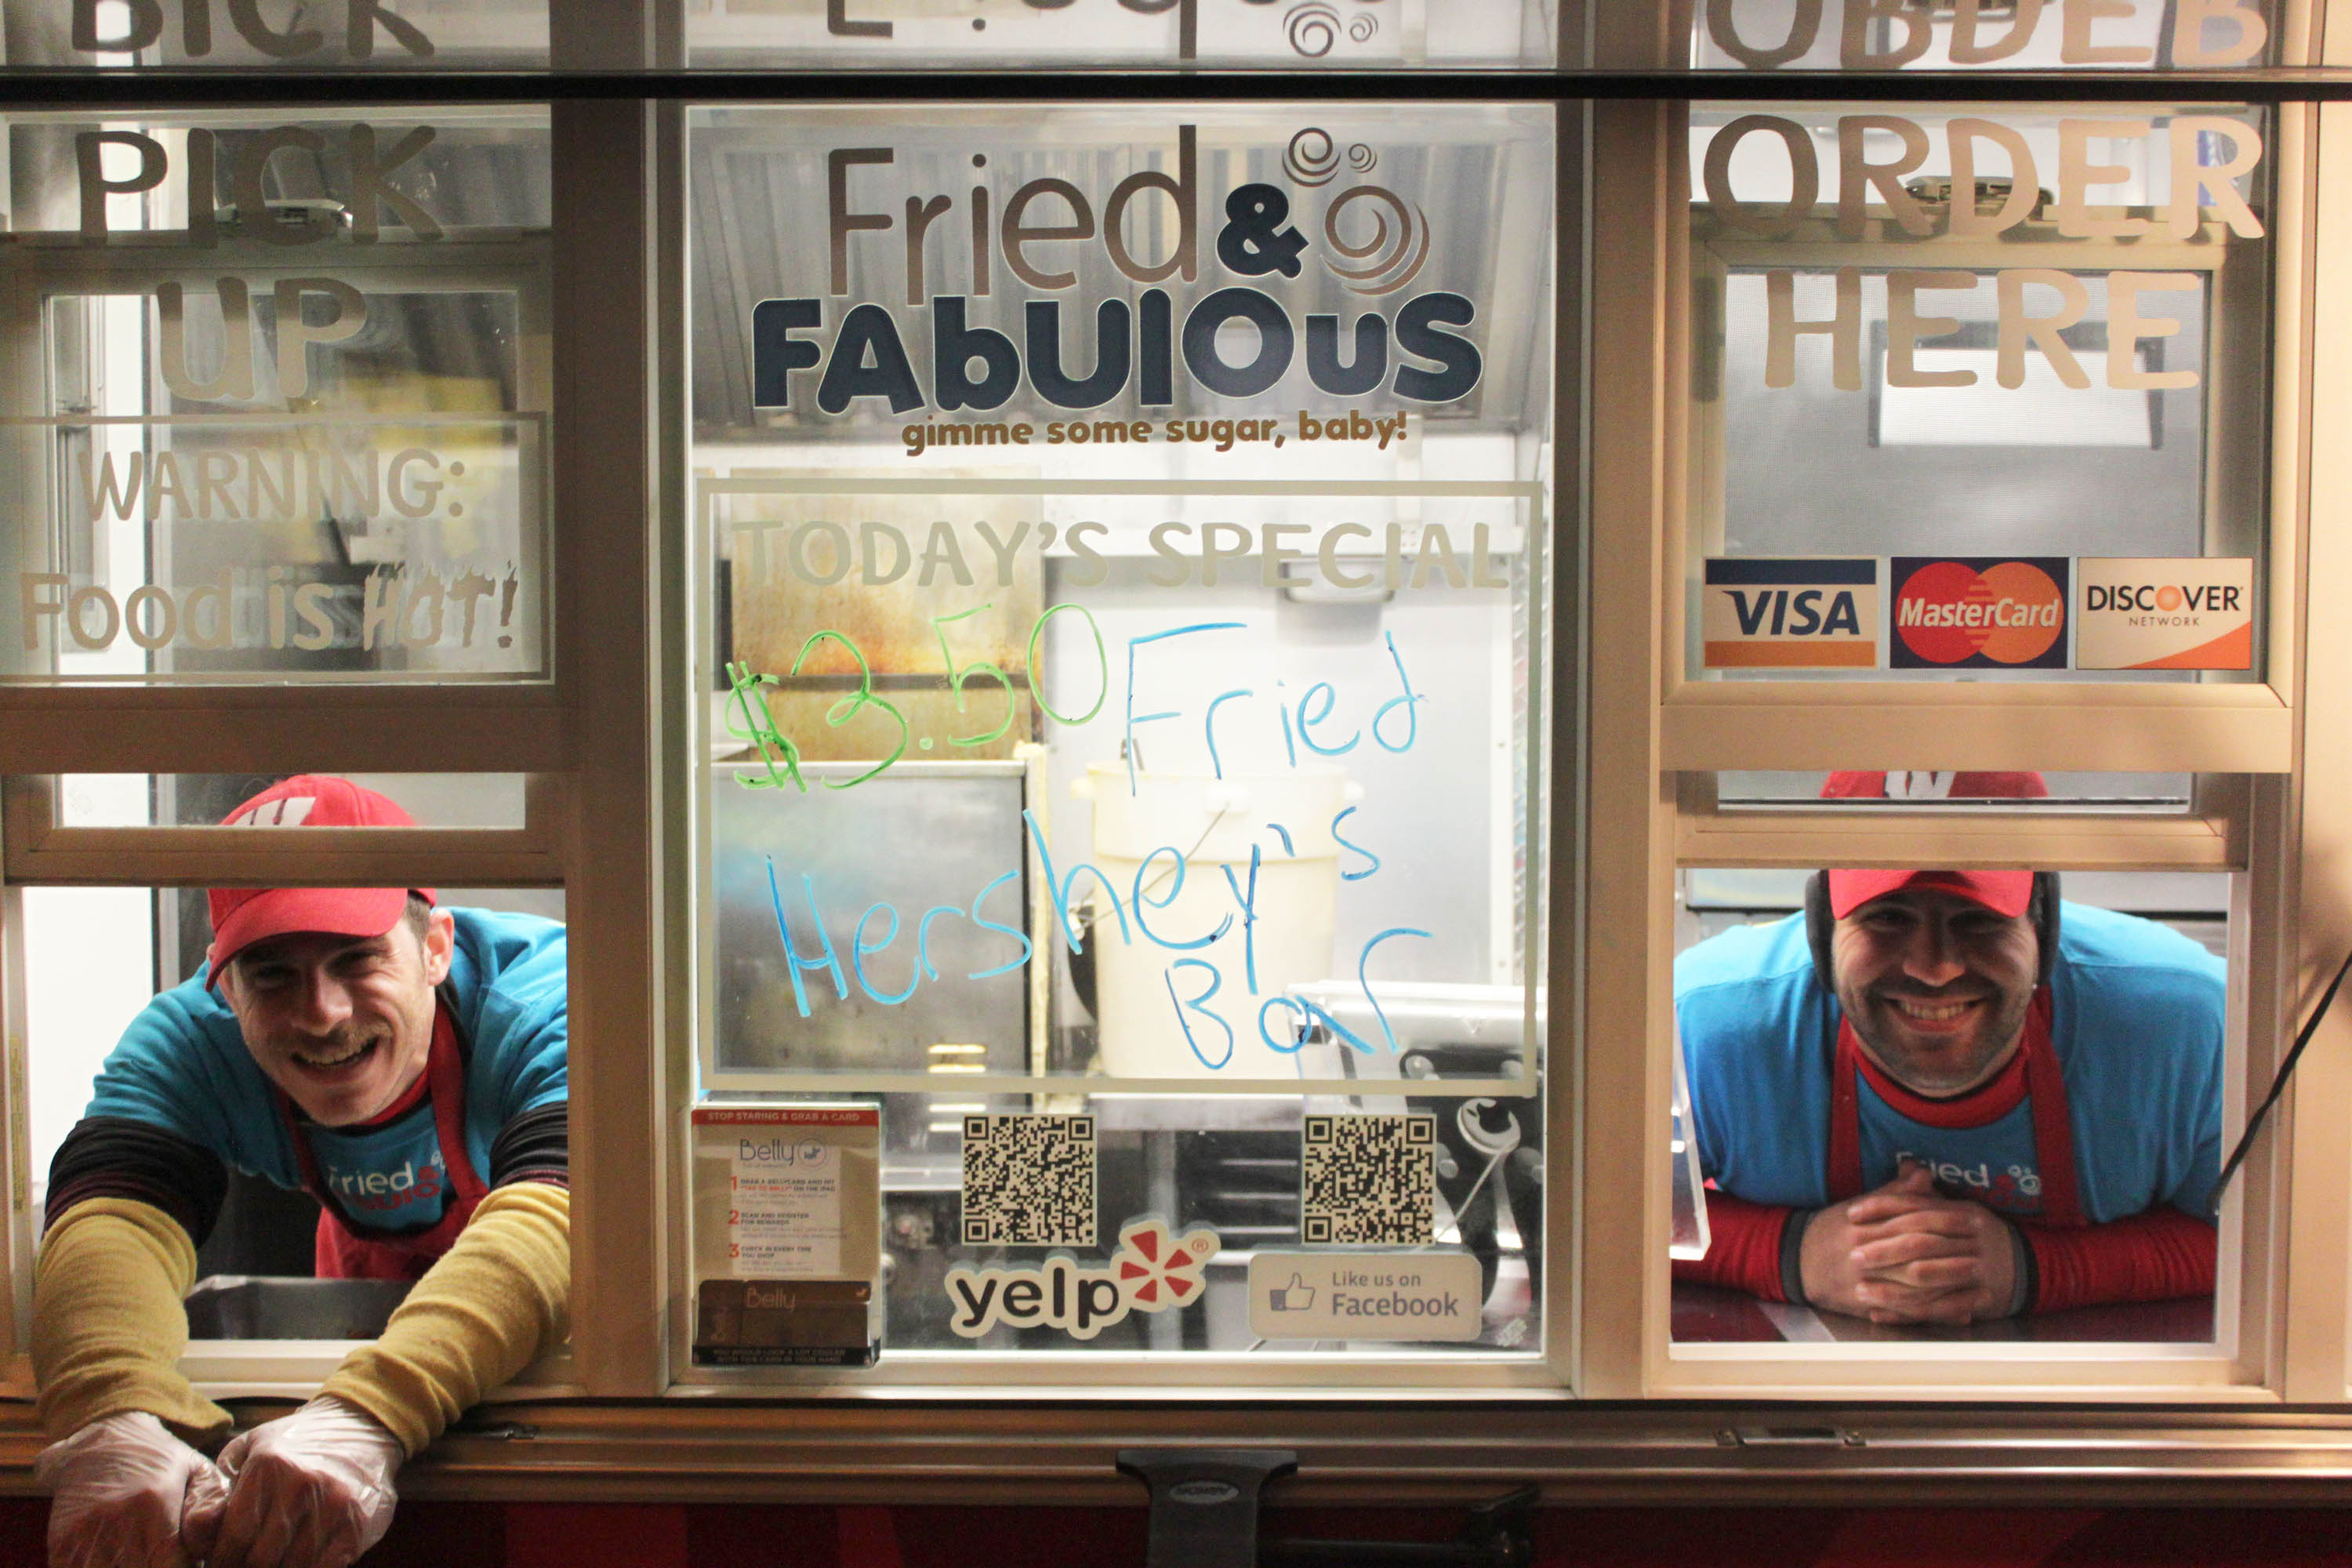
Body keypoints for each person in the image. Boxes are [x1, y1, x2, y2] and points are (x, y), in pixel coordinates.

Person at [31, 775, 569, 1568]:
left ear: (436, 945)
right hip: (368, 1259)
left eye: (357, 957)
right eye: (272, 973)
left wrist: (369, 1413)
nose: (322, 1012)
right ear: (223, 981)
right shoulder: (190, 1040)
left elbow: (560, 1217)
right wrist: (115, 1408)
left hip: (535, 1283)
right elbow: (106, 1218)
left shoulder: (548, 1000)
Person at [1675, 833, 2224, 1327]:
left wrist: (2040, 1271)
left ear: (2044, 927)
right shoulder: (1705, 1023)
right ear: (1823, 930)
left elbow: (2276, 1248)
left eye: (1977, 919)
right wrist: (1792, 1256)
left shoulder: (2188, 1021)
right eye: (1888, 917)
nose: (1934, 968)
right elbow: (1603, 1226)